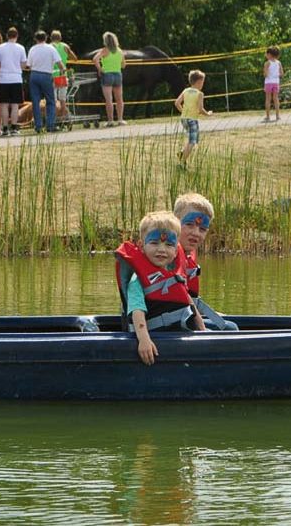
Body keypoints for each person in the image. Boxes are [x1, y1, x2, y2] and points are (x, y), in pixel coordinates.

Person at [114, 210, 205, 365]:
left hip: (180, 336)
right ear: (142, 246)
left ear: (176, 250)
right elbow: (137, 311)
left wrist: (203, 332)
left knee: (231, 328)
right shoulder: (137, 280)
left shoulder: (173, 275)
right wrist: (144, 341)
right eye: (154, 243)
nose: (161, 249)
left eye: (169, 244)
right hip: (156, 341)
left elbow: (189, 303)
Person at [173, 193, 236, 330]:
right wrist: (203, 330)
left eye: (202, 229)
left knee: (229, 323)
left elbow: (190, 301)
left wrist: (213, 315)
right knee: (231, 329)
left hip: (181, 318)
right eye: (189, 225)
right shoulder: (167, 256)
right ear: (174, 223)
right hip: (168, 328)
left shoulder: (185, 256)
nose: (196, 233)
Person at [0, 26, 27, 136]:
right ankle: (14, 128)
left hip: (4, 79)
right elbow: (24, 65)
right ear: (17, 36)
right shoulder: (21, 48)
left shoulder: (0, 48)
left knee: (4, 105)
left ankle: (5, 128)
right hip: (16, 78)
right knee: (15, 105)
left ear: (7, 36)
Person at [173, 69, 213, 166]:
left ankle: (182, 153)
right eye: (202, 82)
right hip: (192, 120)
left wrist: (183, 111)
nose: (203, 84)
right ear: (199, 82)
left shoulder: (185, 91)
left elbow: (177, 103)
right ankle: (182, 162)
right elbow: (200, 109)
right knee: (192, 141)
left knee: (191, 138)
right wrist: (208, 114)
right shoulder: (199, 94)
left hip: (184, 119)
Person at [26, 30, 63, 133]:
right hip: (46, 75)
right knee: (50, 101)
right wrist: (62, 71)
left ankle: (38, 126)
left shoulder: (32, 49)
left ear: (35, 39)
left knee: (35, 102)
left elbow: (29, 65)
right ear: (46, 38)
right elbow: (60, 64)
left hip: (34, 75)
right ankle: (50, 125)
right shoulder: (51, 48)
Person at [94, 31, 127, 127]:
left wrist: (100, 69)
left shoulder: (105, 50)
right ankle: (120, 119)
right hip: (118, 74)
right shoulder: (120, 51)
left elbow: (95, 59)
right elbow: (124, 65)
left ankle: (110, 121)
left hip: (107, 75)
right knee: (119, 99)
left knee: (109, 99)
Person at [50, 30, 76, 120]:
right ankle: (63, 117)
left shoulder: (49, 46)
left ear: (51, 38)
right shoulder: (65, 46)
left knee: (53, 99)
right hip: (62, 75)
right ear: (60, 38)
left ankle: (54, 118)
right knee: (62, 98)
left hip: (52, 75)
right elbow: (75, 58)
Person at [262, 46, 282, 122]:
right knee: (276, 99)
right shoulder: (279, 63)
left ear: (269, 54)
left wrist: (266, 73)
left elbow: (265, 74)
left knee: (268, 99)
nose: (265, 55)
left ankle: (268, 116)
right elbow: (281, 73)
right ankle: (277, 116)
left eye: (266, 54)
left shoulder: (267, 63)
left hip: (268, 82)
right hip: (276, 82)